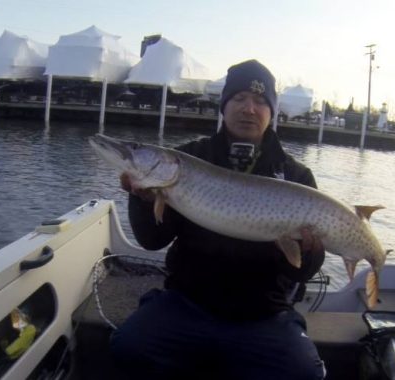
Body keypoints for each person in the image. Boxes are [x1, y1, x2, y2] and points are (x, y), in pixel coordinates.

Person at [109, 59, 326, 380]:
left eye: (260, 101)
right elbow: (152, 240)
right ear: (224, 107)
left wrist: (307, 250)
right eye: (239, 99)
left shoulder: (295, 176)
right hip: (188, 304)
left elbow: (306, 269)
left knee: (304, 373)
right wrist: (142, 201)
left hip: (264, 314)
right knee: (126, 348)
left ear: (271, 111)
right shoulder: (187, 159)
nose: (249, 109)